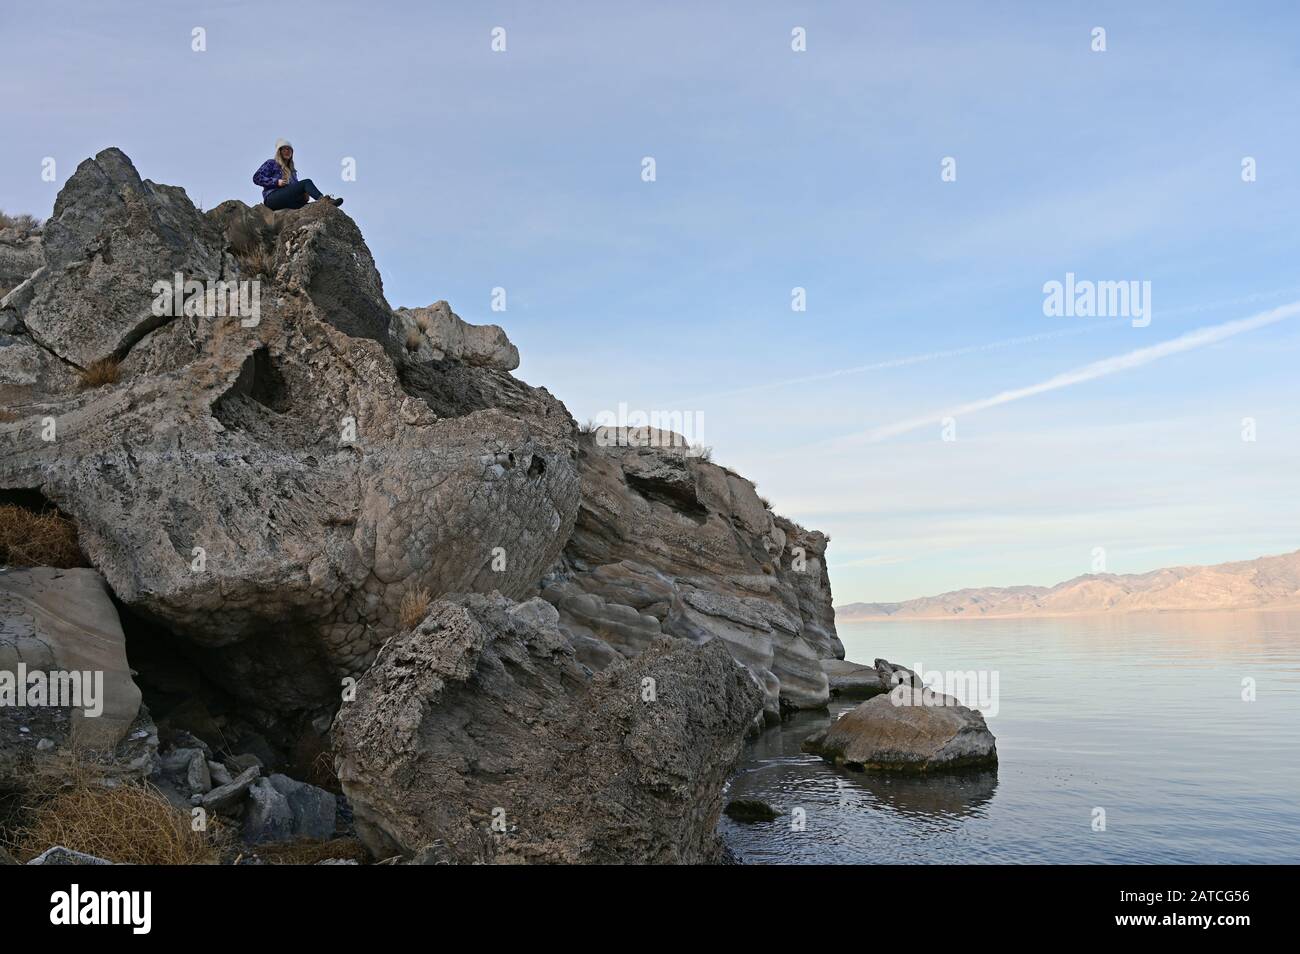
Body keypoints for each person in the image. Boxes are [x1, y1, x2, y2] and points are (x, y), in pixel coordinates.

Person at [253, 139, 342, 210]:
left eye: (290, 150)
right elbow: (257, 178)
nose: (288, 151)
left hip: (286, 201)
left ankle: (323, 206)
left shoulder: (292, 172)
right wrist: (276, 182)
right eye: (285, 149)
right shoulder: (271, 163)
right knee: (306, 182)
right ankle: (324, 200)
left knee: (309, 207)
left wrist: (304, 195)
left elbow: (293, 189)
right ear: (279, 151)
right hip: (272, 198)